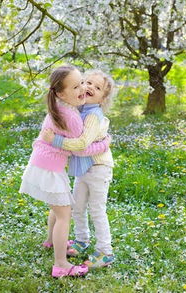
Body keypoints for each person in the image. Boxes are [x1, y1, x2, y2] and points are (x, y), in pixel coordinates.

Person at [19, 65, 110, 278]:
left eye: (83, 83)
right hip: (50, 169)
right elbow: (81, 147)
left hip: (41, 164)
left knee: (57, 207)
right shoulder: (72, 117)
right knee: (64, 215)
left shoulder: (59, 107)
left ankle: (50, 240)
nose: (82, 89)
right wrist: (104, 144)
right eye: (77, 86)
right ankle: (61, 264)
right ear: (61, 93)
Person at [42, 69, 115, 268]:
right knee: (78, 207)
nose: (89, 87)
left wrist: (55, 140)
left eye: (97, 87)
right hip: (84, 168)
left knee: (97, 210)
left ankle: (105, 252)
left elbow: (81, 144)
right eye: (87, 82)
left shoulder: (93, 116)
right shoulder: (78, 110)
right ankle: (82, 241)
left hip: (98, 168)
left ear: (102, 99)